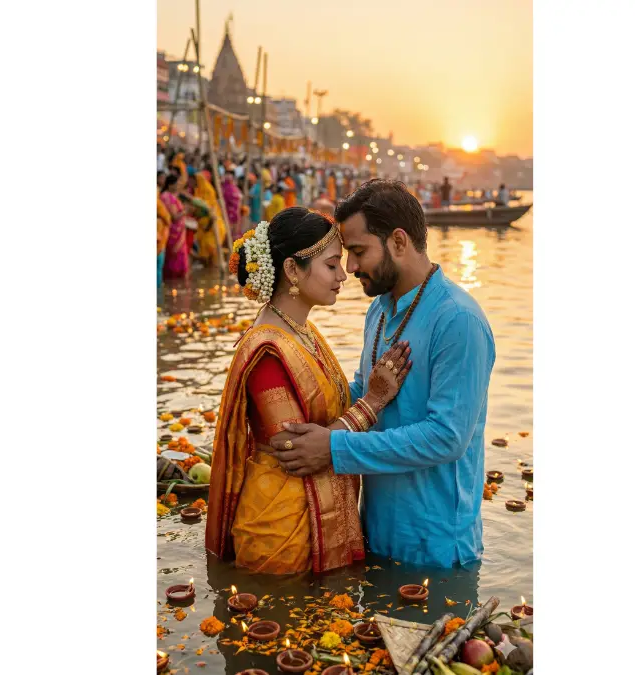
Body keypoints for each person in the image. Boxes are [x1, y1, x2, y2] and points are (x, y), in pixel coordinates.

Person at [274, 179, 495, 569]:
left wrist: (333, 448)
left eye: (358, 252)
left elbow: (446, 438)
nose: (351, 268)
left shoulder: (457, 321)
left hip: (437, 546)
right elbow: (365, 390)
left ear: (397, 241)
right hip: (375, 531)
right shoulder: (379, 311)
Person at [205, 207, 414, 574]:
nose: (342, 276)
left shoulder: (302, 332)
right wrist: (374, 401)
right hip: (283, 532)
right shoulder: (268, 351)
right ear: (291, 270)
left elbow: (325, 409)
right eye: (331, 265)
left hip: (310, 518)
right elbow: (295, 449)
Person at [160, 174, 189, 280]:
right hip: (174, 233)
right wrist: (186, 211)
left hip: (177, 233)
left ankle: (175, 284)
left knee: (177, 259)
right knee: (175, 259)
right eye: (176, 184)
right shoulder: (167, 197)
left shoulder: (170, 196)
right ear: (170, 185)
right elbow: (175, 216)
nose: (178, 186)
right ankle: (174, 283)